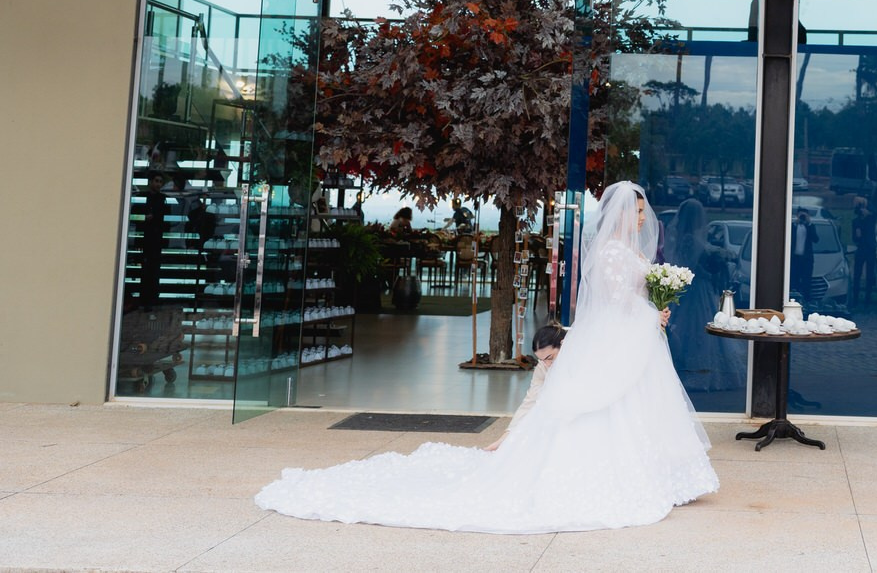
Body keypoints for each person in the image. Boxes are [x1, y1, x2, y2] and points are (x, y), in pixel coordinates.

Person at [255, 182, 718, 532]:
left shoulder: (623, 251)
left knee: (635, 404)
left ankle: (658, 472)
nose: (642, 219)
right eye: (637, 212)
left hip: (631, 341)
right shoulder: (615, 254)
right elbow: (618, 305)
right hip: (622, 339)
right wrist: (650, 314)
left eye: (642, 212)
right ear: (620, 214)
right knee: (613, 407)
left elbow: (628, 303)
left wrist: (653, 310)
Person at [663, 198, 743, 392]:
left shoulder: (685, 237)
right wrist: (709, 273)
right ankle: (697, 373)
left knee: (697, 328)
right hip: (696, 290)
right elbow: (691, 266)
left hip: (699, 289)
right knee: (698, 329)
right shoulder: (689, 239)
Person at [483, 324, 565, 452]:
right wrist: (506, 437)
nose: (547, 364)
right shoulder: (542, 367)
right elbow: (530, 402)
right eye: (542, 360)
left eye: (550, 358)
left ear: (563, 344)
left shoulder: (584, 359)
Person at [849, 197, 877, 309]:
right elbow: (854, 238)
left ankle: (867, 299)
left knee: (870, 275)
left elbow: (876, 211)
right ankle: (856, 298)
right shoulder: (856, 222)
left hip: (870, 249)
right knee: (857, 274)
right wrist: (857, 236)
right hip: (861, 248)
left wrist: (866, 203)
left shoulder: (871, 219)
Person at [790, 208, 815, 309]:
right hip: (794, 259)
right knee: (794, 280)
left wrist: (808, 224)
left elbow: (815, 239)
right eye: (801, 215)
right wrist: (796, 223)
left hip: (806, 259)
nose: (802, 217)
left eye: (804, 215)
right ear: (797, 215)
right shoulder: (792, 226)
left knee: (806, 281)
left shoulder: (810, 226)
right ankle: (794, 302)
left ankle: (807, 301)